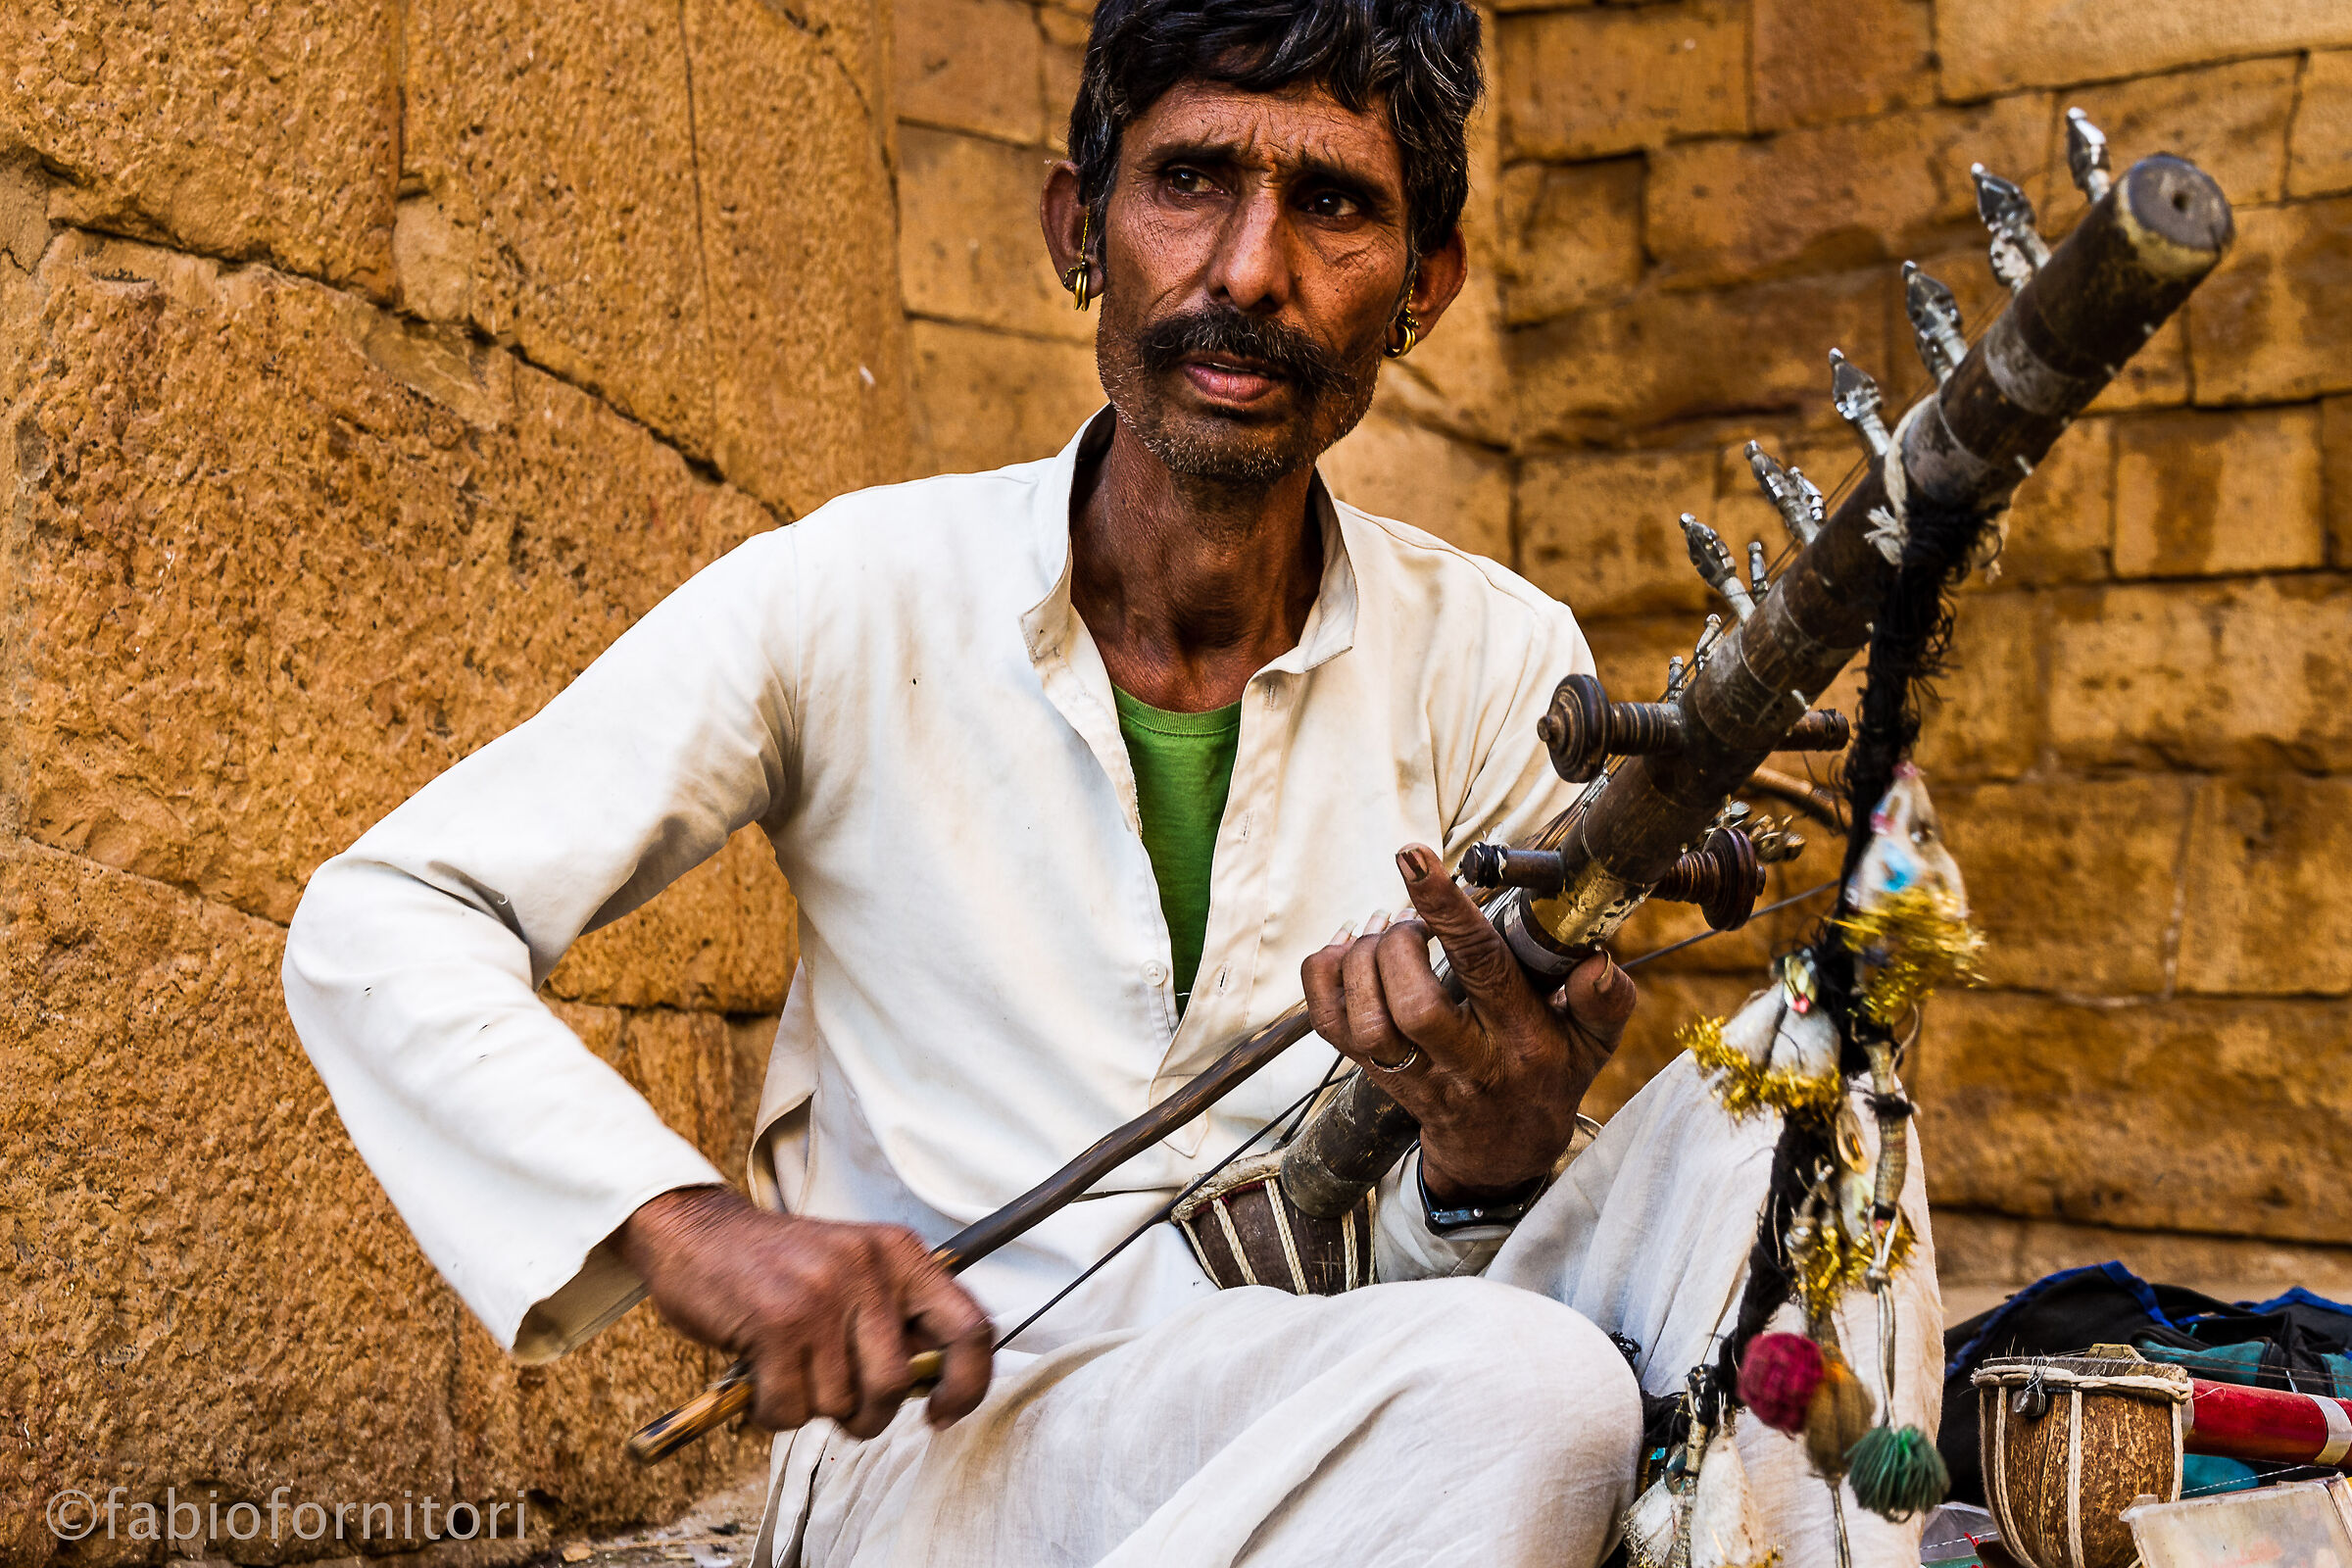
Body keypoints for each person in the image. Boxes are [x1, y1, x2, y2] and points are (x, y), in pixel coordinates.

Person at [284, 0, 1939, 1560]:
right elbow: (382, 919)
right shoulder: (855, 593)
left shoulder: (1498, 656)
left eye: (1335, 209)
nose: (1249, 270)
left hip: (1334, 1409)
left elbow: (1463, 1265)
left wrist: (1492, 1149)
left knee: (1800, 1128)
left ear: (1424, 284)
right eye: (1191, 182)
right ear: (1079, 223)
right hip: (949, 1444)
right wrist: (693, 1230)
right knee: (1536, 1397)